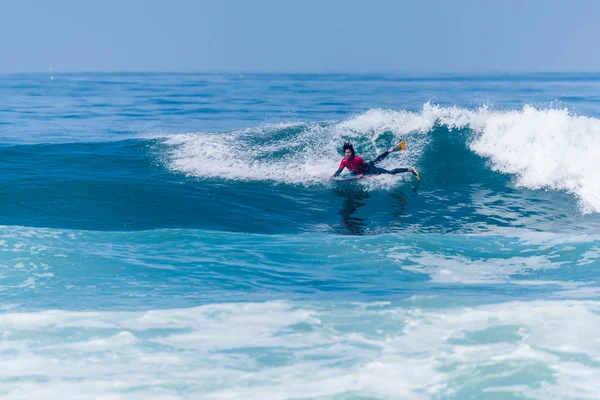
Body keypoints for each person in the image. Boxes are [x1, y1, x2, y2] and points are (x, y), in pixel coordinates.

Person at [330, 142, 420, 179]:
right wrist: (334, 175)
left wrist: (363, 174)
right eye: (346, 152)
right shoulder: (344, 161)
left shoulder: (357, 159)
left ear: (352, 152)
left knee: (390, 172)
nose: (347, 154)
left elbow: (365, 167)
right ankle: (389, 150)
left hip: (369, 168)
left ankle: (410, 169)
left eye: (349, 152)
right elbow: (339, 170)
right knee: (376, 160)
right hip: (362, 168)